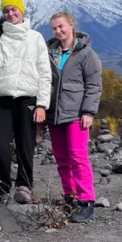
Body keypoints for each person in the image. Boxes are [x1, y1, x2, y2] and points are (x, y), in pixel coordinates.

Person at [0, 0, 51, 204]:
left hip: (27, 99)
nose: (10, 13)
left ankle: (24, 185)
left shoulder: (35, 38)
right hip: (0, 99)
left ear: (22, 10)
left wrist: (42, 104)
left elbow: (45, 73)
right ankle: (3, 186)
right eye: (6, 10)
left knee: (26, 145)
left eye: (14, 9)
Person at [47, 11, 102, 223]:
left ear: (72, 25)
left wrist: (88, 112)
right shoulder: (49, 52)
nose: (58, 31)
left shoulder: (86, 54)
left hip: (76, 114)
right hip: (54, 114)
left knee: (78, 158)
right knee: (62, 159)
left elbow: (94, 85)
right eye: (54, 28)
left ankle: (86, 200)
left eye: (61, 26)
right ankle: (69, 197)